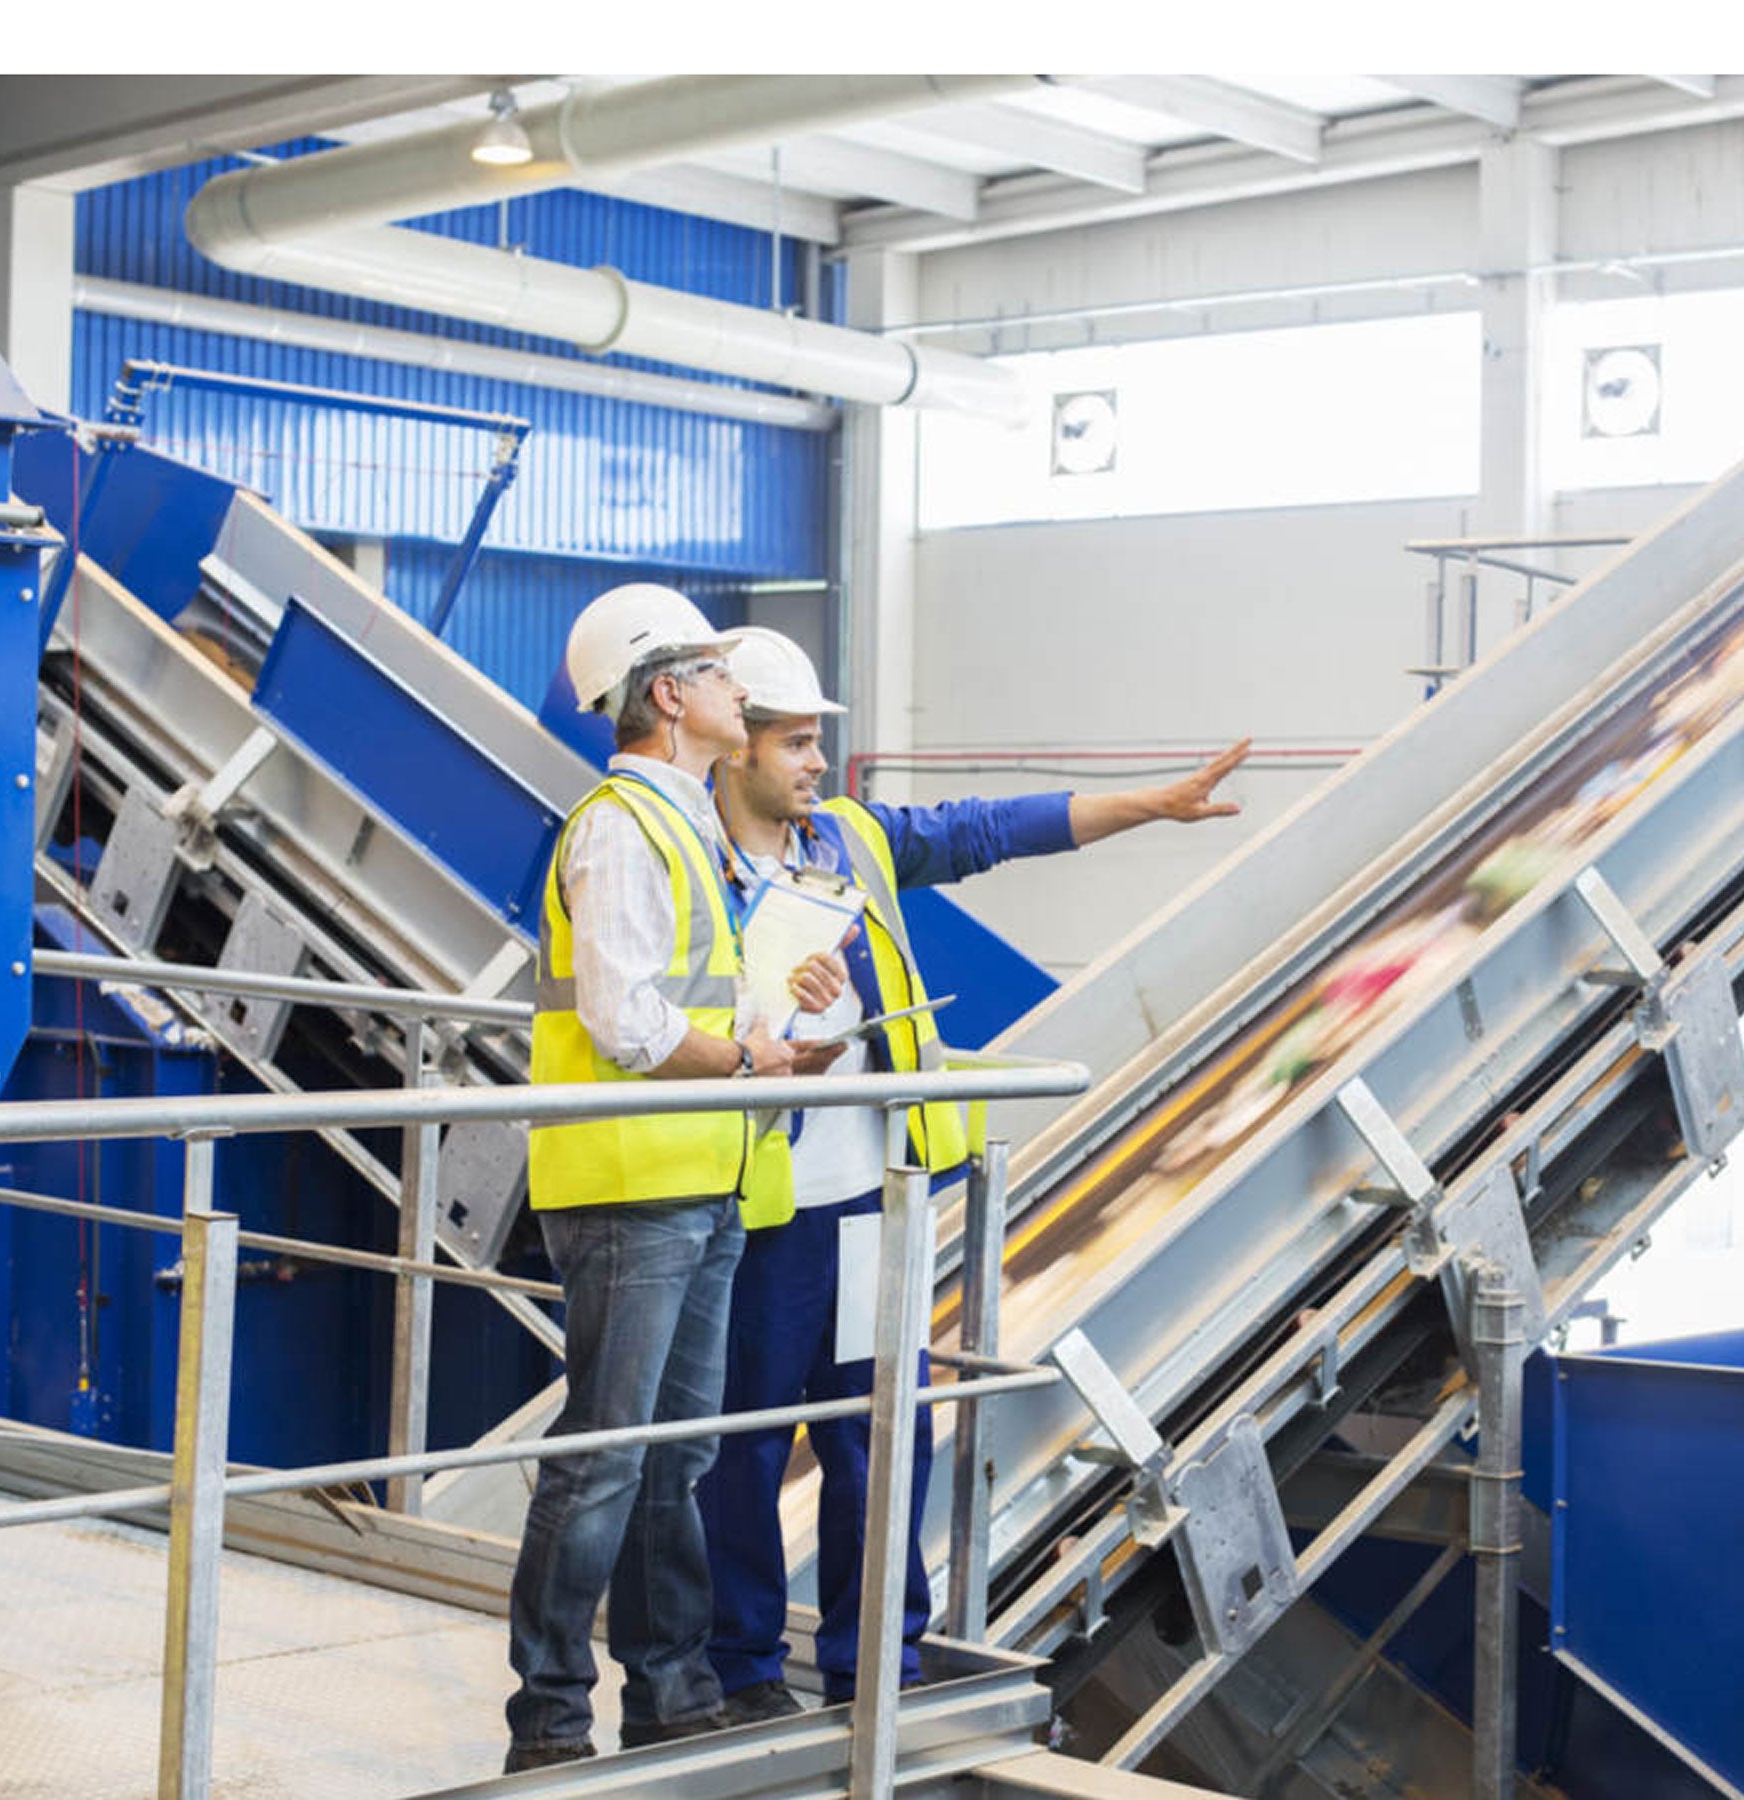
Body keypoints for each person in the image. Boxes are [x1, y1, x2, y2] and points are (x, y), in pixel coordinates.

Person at [698, 626, 1250, 1720]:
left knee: (876, 1440)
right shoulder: (684, 859)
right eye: (798, 744)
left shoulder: (846, 838)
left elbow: (988, 830)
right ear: (734, 745)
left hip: (870, 1200)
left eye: (819, 743)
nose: (818, 765)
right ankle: (745, 1674)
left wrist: (1154, 802)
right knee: (742, 1449)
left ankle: (877, 1668)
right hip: (759, 1208)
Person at [502, 586, 847, 1772]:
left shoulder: (688, 825)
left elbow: (694, 995)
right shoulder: (616, 826)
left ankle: (668, 1691)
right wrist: (747, 1053)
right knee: (604, 1454)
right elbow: (626, 1020)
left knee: (677, 1456)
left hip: (699, 1176)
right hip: (628, 1182)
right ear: (667, 696)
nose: (736, 692)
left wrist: (780, 1016)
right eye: (714, 673)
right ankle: (549, 1721)